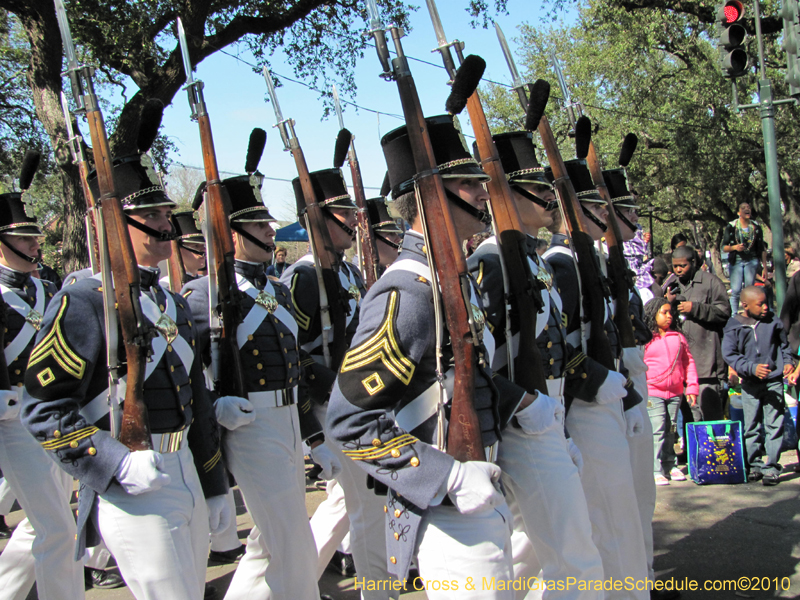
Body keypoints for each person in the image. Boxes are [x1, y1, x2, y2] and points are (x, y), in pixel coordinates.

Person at [328, 114, 534, 598]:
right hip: (448, 509)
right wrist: (448, 478)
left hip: (483, 489)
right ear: (428, 196)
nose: (484, 192)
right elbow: (349, 423)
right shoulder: (410, 292)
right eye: (466, 183)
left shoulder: (451, 280)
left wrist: (527, 405)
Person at [21, 145, 230, 600]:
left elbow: (194, 400)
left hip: (186, 471)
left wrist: (213, 484)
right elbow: (43, 411)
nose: (164, 224)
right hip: (132, 480)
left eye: (163, 213)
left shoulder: (171, 301)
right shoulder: (84, 301)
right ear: (118, 220)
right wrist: (113, 463)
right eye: (150, 214)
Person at [185, 149, 326, 600]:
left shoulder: (276, 288)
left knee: (269, 541)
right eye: (260, 224)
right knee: (292, 540)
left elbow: (294, 367)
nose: (271, 230)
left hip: (287, 422)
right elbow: (182, 373)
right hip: (248, 424)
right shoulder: (203, 295)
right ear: (233, 232)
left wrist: (314, 434)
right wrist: (213, 404)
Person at [469, 131, 604, 599]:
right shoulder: (490, 261)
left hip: (549, 413)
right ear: (505, 194)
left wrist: (561, 425)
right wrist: (524, 406)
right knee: (576, 556)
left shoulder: (533, 259)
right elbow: (478, 357)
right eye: (539, 191)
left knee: (534, 550)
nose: (550, 199)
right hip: (521, 423)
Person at [280, 168, 394, 598]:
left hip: (355, 401)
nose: (354, 221)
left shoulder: (346, 272)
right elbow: (296, 356)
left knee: (356, 501)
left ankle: (294, 582)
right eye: (344, 212)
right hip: (329, 403)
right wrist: (343, 387)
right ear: (319, 220)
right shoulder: (304, 277)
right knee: (358, 500)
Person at [544, 159, 648, 600]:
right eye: (596, 209)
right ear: (572, 212)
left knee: (622, 514)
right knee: (608, 519)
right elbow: (552, 345)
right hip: (583, 407)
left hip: (607, 398)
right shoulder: (562, 264)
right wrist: (591, 380)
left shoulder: (586, 261)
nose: (606, 216)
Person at [0, 165, 90, 600]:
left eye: (34, 237)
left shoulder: (47, 286)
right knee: (58, 527)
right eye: (22, 238)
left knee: (46, 521)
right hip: (12, 421)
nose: (34, 245)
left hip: (51, 414)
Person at [722, 286, 794, 486]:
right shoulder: (734, 325)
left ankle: (771, 467)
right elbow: (730, 354)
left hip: (773, 381)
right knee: (752, 425)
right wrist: (751, 368)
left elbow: (783, 345)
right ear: (745, 305)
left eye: (766, 303)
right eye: (760, 304)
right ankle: (754, 464)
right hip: (750, 383)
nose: (765, 308)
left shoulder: (773, 321)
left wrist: (787, 362)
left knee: (774, 424)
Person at [666, 245, 731, 422]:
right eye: (675, 266)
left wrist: (695, 308)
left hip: (706, 363)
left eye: (683, 265)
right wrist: (668, 302)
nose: (678, 270)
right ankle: (691, 449)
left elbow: (724, 311)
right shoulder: (671, 284)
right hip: (681, 365)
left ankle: (712, 449)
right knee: (689, 417)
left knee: (710, 415)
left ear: (693, 263)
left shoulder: (711, 282)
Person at [643, 297, 698, 486]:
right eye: (663, 312)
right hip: (653, 392)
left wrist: (691, 386)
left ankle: (669, 464)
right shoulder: (645, 339)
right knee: (657, 429)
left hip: (675, 393)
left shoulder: (678, 338)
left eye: (670, 312)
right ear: (652, 314)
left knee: (671, 429)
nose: (669, 316)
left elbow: (688, 362)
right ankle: (654, 468)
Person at [722, 201, 767, 312]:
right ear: (738, 212)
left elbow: (762, 249)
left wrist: (765, 267)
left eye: (748, 207)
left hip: (751, 260)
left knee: (749, 290)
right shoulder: (732, 226)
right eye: (743, 208)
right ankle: (734, 315)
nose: (747, 209)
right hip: (736, 261)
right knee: (736, 290)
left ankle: (749, 313)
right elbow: (724, 247)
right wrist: (735, 247)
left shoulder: (756, 227)